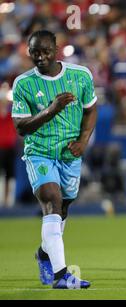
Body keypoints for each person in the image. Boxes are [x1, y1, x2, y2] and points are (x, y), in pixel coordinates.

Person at [12, 30, 97, 288]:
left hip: (69, 154)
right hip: (40, 152)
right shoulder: (23, 83)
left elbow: (90, 110)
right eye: (35, 52)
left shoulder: (80, 76)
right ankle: (62, 275)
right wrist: (52, 109)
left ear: (56, 49)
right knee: (51, 200)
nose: (40, 57)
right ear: (29, 52)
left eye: (45, 51)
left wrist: (83, 141)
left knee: (62, 209)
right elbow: (21, 127)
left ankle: (44, 254)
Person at [0, 93, 17, 207]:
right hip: (0, 149)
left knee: (10, 176)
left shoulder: (11, 115)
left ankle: (8, 202)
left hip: (10, 149)